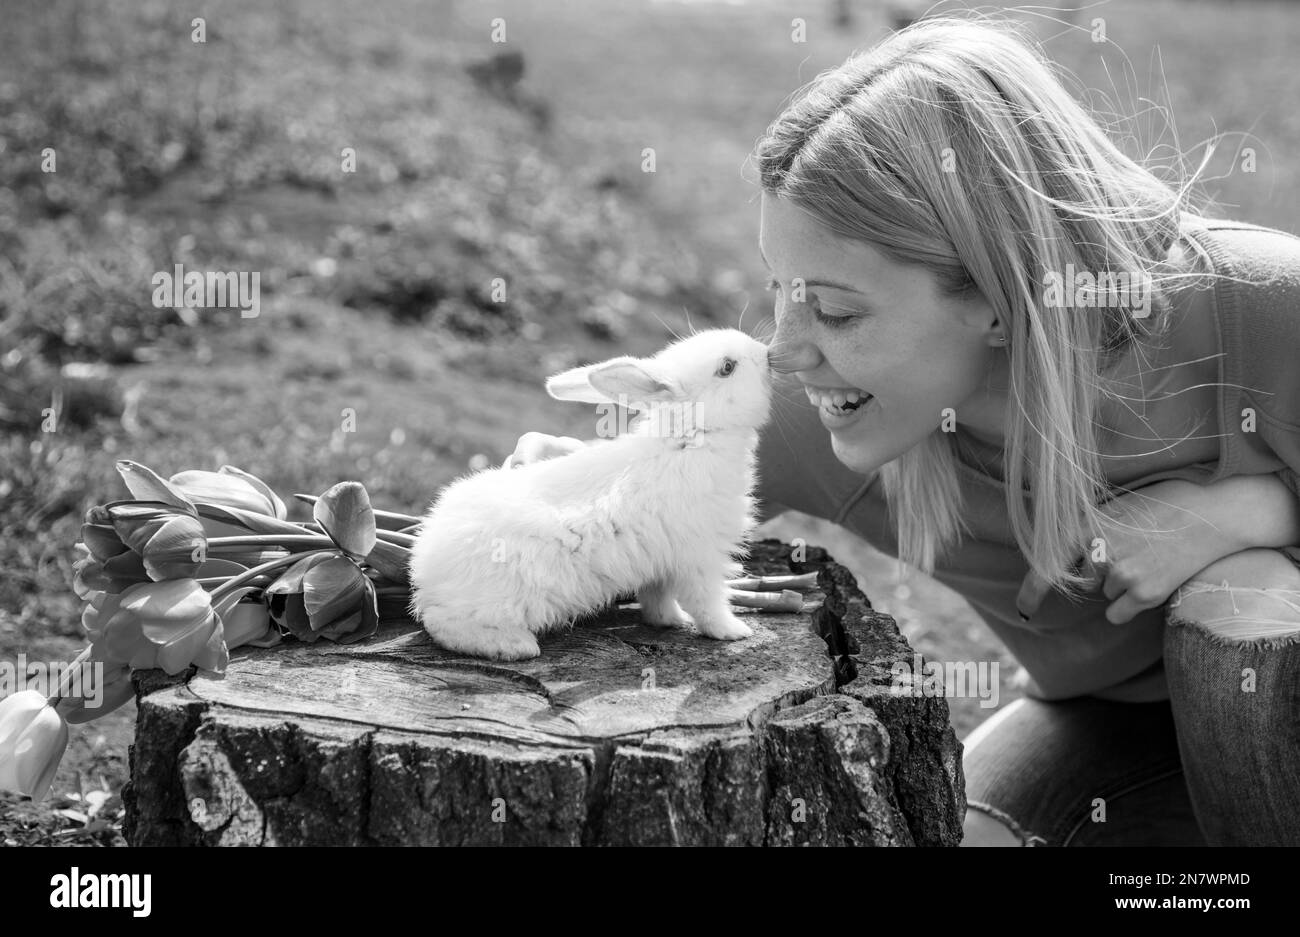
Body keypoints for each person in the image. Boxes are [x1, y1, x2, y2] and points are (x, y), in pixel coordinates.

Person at [507, 16, 1300, 846]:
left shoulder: (1251, 309)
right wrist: (572, 496)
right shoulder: (830, 411)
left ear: (998, 297)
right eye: (779, 289)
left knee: (1241, 595)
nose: (786, 349)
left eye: (838, 310)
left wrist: (1240, 518)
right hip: (1117, 730)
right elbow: (637, 507)